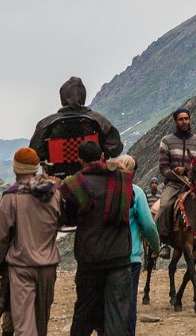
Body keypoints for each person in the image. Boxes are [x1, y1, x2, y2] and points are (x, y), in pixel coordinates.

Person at [61, 141, 133, 336]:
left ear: (80, 160)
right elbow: (131, 201)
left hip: (90, 259)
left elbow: (68, 218)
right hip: (119, 258)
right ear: (102, 156)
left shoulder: (74, 184)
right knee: (117, 314)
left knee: (84, 311)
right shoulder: (121, 179)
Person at [0, 148, 62, 336]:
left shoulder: (11, 197)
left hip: (21, 268)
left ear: (15, 169)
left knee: (24, 326)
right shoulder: (54, 194)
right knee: (41, 323)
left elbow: (0, 238)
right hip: (48, 267)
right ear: (36, 167)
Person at [29, 77, 123, 175]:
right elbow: (115, 148)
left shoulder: (46, 124)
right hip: (94, 175)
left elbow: (34, 155)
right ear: (83, 96)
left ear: (62, 97)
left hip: (58, 177)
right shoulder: (99, 120)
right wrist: (100, 154)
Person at [112, 155, 160, 336]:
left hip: (107, 256)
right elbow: (148, 225)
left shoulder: (105, 190)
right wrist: (155, 245)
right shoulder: (136, 192)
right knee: (129, 302)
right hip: (130, 257)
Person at [156, 107, 196, 260]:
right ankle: (164, 242)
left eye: (186, 119)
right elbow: (163, 167)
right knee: (164, 206)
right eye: (181, 119)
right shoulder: (166, 141)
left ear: (190, 120)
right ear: (175, 122)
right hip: (173, 184)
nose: (184, 122)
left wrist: (186, 170)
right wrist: (175, 174)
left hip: (194, 184)